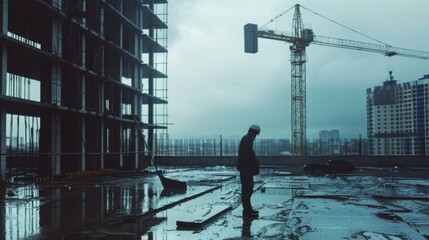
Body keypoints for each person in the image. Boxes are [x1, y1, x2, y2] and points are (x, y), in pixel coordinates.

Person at [237, 124, 261, 218]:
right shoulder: (247, 139)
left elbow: (250, 153)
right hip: (245, 169)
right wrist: (255, 161)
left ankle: (248, 210)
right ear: (252, 131)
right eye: (255, 133)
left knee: (247, 190)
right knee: (247, 191)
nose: (255, 136)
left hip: (246, 169)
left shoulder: (247, 139)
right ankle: (247, 212)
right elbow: (249, 154)